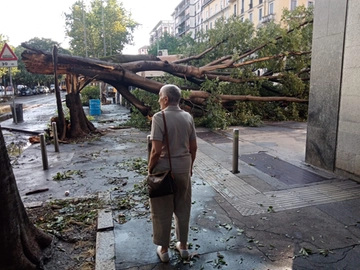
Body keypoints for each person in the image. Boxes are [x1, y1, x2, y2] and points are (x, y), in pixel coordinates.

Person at [148, 84, 197, 263]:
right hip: (184, 168)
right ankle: (183, 247)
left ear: (166, 99)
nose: (159, 100)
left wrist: (150, 168)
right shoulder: (188, 117)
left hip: (164, 171)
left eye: (160, 96)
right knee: (183, 207)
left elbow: (155, 150)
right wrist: (190, 166)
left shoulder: (159, 117)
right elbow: (194, 147)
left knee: (162, 209)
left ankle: (164, 250)